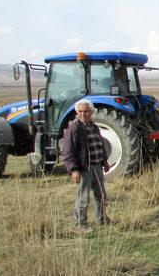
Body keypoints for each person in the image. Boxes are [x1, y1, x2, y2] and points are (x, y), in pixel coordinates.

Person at [63, 99, 111, 233]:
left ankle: (102, 219)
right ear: (77, 112)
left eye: (86, 111)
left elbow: (99, 145)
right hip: (84, 168)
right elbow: (68, 151)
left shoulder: (94, 126)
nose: (83, 114)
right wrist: (74, 169)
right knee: (83, 198)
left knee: (100, 195)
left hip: (97, 166)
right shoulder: (74, 128)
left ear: (91, 112)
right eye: (80, 112)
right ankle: (80, 225)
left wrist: (104, 161)